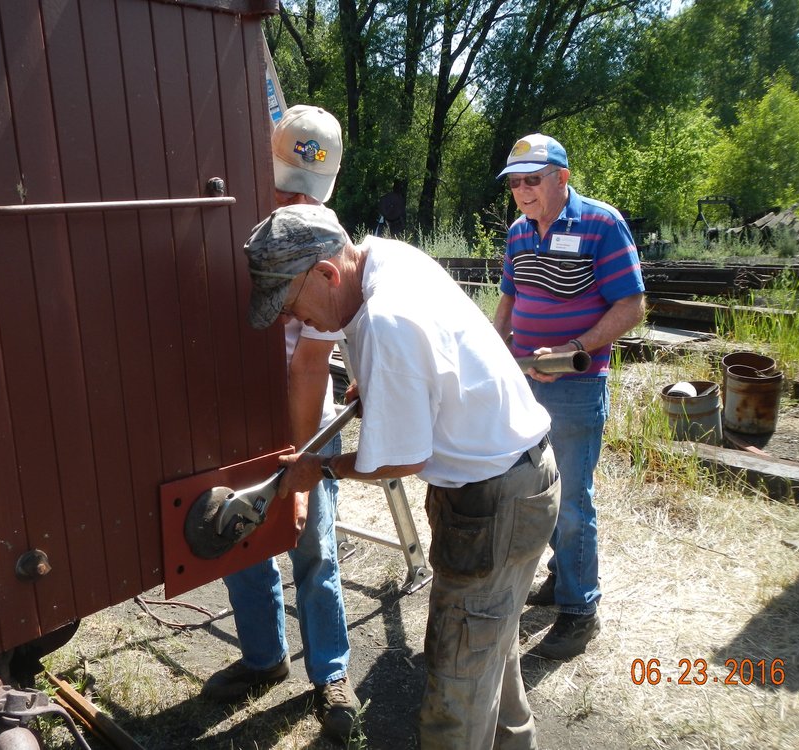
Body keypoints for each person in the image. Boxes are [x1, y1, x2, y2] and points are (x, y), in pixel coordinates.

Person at [242, 203, 561, 750]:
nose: (297, 323)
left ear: (326, 273)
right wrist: (385, 390)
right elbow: (433, 363)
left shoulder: (387, 318)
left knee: (454, 690)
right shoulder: (385, 257)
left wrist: (319, 469)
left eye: (293, 307)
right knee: (489, 653)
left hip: (497, 501)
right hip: (515, 481)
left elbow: (399, 460)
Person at [201, 105, 359, 742]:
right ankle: (265, 658)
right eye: (286, 183)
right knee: (243, 540)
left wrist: (299, 457)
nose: (295, 197)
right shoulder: (241, 221)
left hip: (304, 412)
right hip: (242, 408)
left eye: (304, 188)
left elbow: (311, 363)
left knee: (312, 545)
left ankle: (331, 674)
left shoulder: (330, 239)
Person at [492, 133, 645, 660]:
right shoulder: (517, 233)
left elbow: (631, 305)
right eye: (515, 182)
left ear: (562, 177)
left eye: (532, 179)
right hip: (527, 381)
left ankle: (581, 612)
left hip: (576, 383)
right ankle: (562, 578)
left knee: (574, 499)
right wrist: (497, 350)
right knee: (541, 489)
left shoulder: (601, 224)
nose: (522, 191)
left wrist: (575, 349)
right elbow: (510, 299)